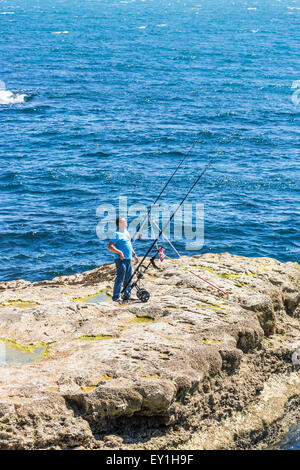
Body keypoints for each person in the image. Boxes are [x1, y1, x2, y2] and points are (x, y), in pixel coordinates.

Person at [108, 217, 138, 302]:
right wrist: (120, 252)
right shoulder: (116, 233)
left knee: (128, 278)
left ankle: (127, 295)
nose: (126, 223)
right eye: (125, 222)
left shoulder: (126, 232)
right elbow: (110, 246)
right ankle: (116, 297)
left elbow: (129, 245)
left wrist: (134, 254)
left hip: (129, 258)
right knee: (120, 277)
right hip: (120, 259)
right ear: (120, 224)